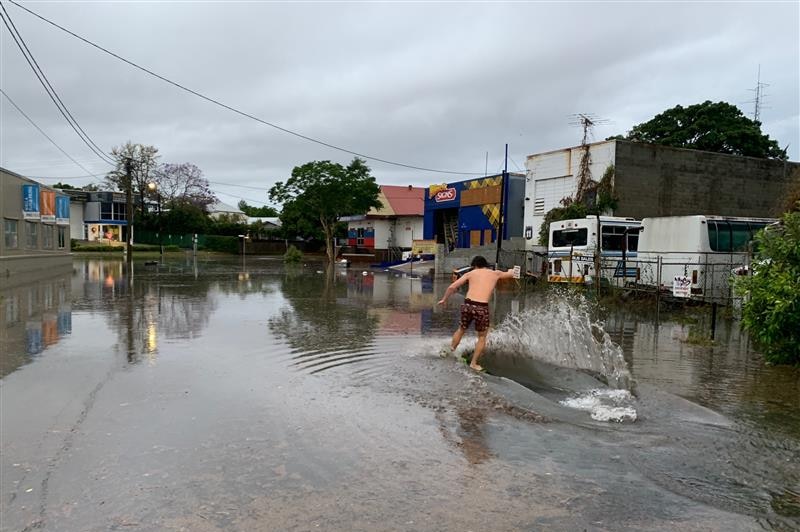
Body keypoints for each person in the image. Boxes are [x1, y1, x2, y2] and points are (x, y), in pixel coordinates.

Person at [437, 256, 516, 371]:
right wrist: (512, 270)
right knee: (482, 337)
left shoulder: (471, 274)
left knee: (461, 329)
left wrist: (444, 299)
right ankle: (474, 363)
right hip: (481, 307)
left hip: (468, 305)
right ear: (486, 264)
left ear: (475, 265)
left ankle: (450, 352)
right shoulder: (495, 273)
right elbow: (511, 274)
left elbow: (452, 286)